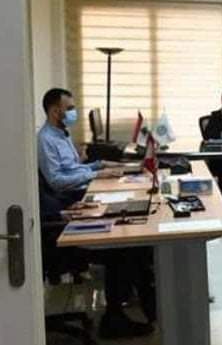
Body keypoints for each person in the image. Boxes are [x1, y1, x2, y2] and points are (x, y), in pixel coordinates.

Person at [38, 88, 156, 339]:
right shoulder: (45, 139)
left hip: (75, 198)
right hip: (66, 206)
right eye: (69, 108)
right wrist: (96, 174)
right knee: (124, 243)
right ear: (55, 110)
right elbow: (57, 181)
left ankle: (147, 300)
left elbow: (74, 168)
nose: (74, 112)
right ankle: (115, 318)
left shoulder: (61, 134)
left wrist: (99, 165)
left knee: (134, 231)